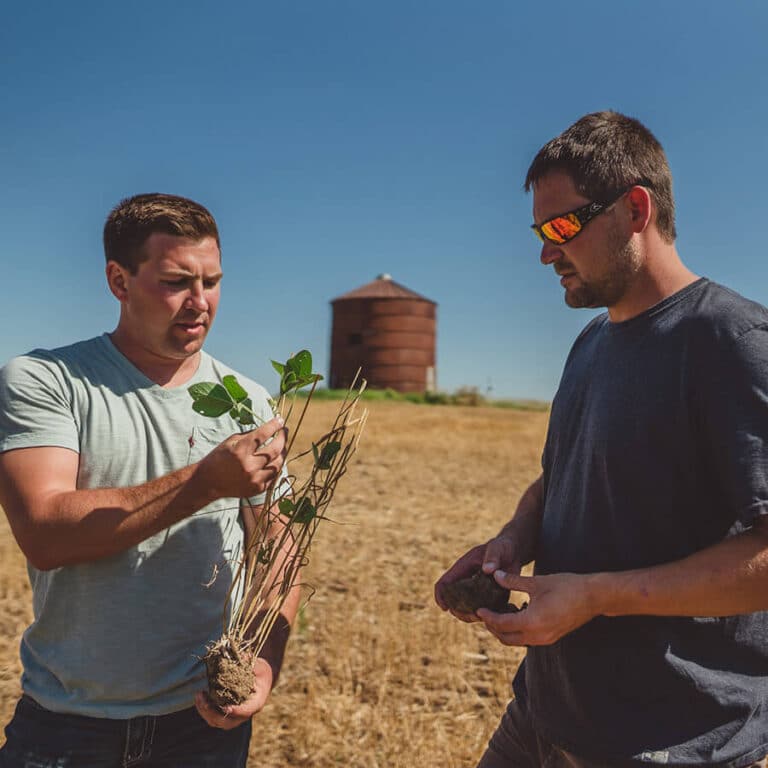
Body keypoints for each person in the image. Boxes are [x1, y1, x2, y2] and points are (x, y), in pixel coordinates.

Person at [435, 111, 768, 767]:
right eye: (539, 230)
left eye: (562, 226)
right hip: (542, 711)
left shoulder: (731, 341)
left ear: (635, 209)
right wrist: (509, 542)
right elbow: (560, 478)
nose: (545, 251)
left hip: (666, 741)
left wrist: (597, 597)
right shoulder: (592, 343)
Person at [0, 193, 298, 767]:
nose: (199, 302)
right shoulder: (48, 382)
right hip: (68, 727)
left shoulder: (249, 402)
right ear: (119, 280)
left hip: (202, 727)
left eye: (212, 282)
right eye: (176, 282)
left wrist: (266, 660)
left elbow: (280, 546)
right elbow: (44, 532)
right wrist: (205, 484)